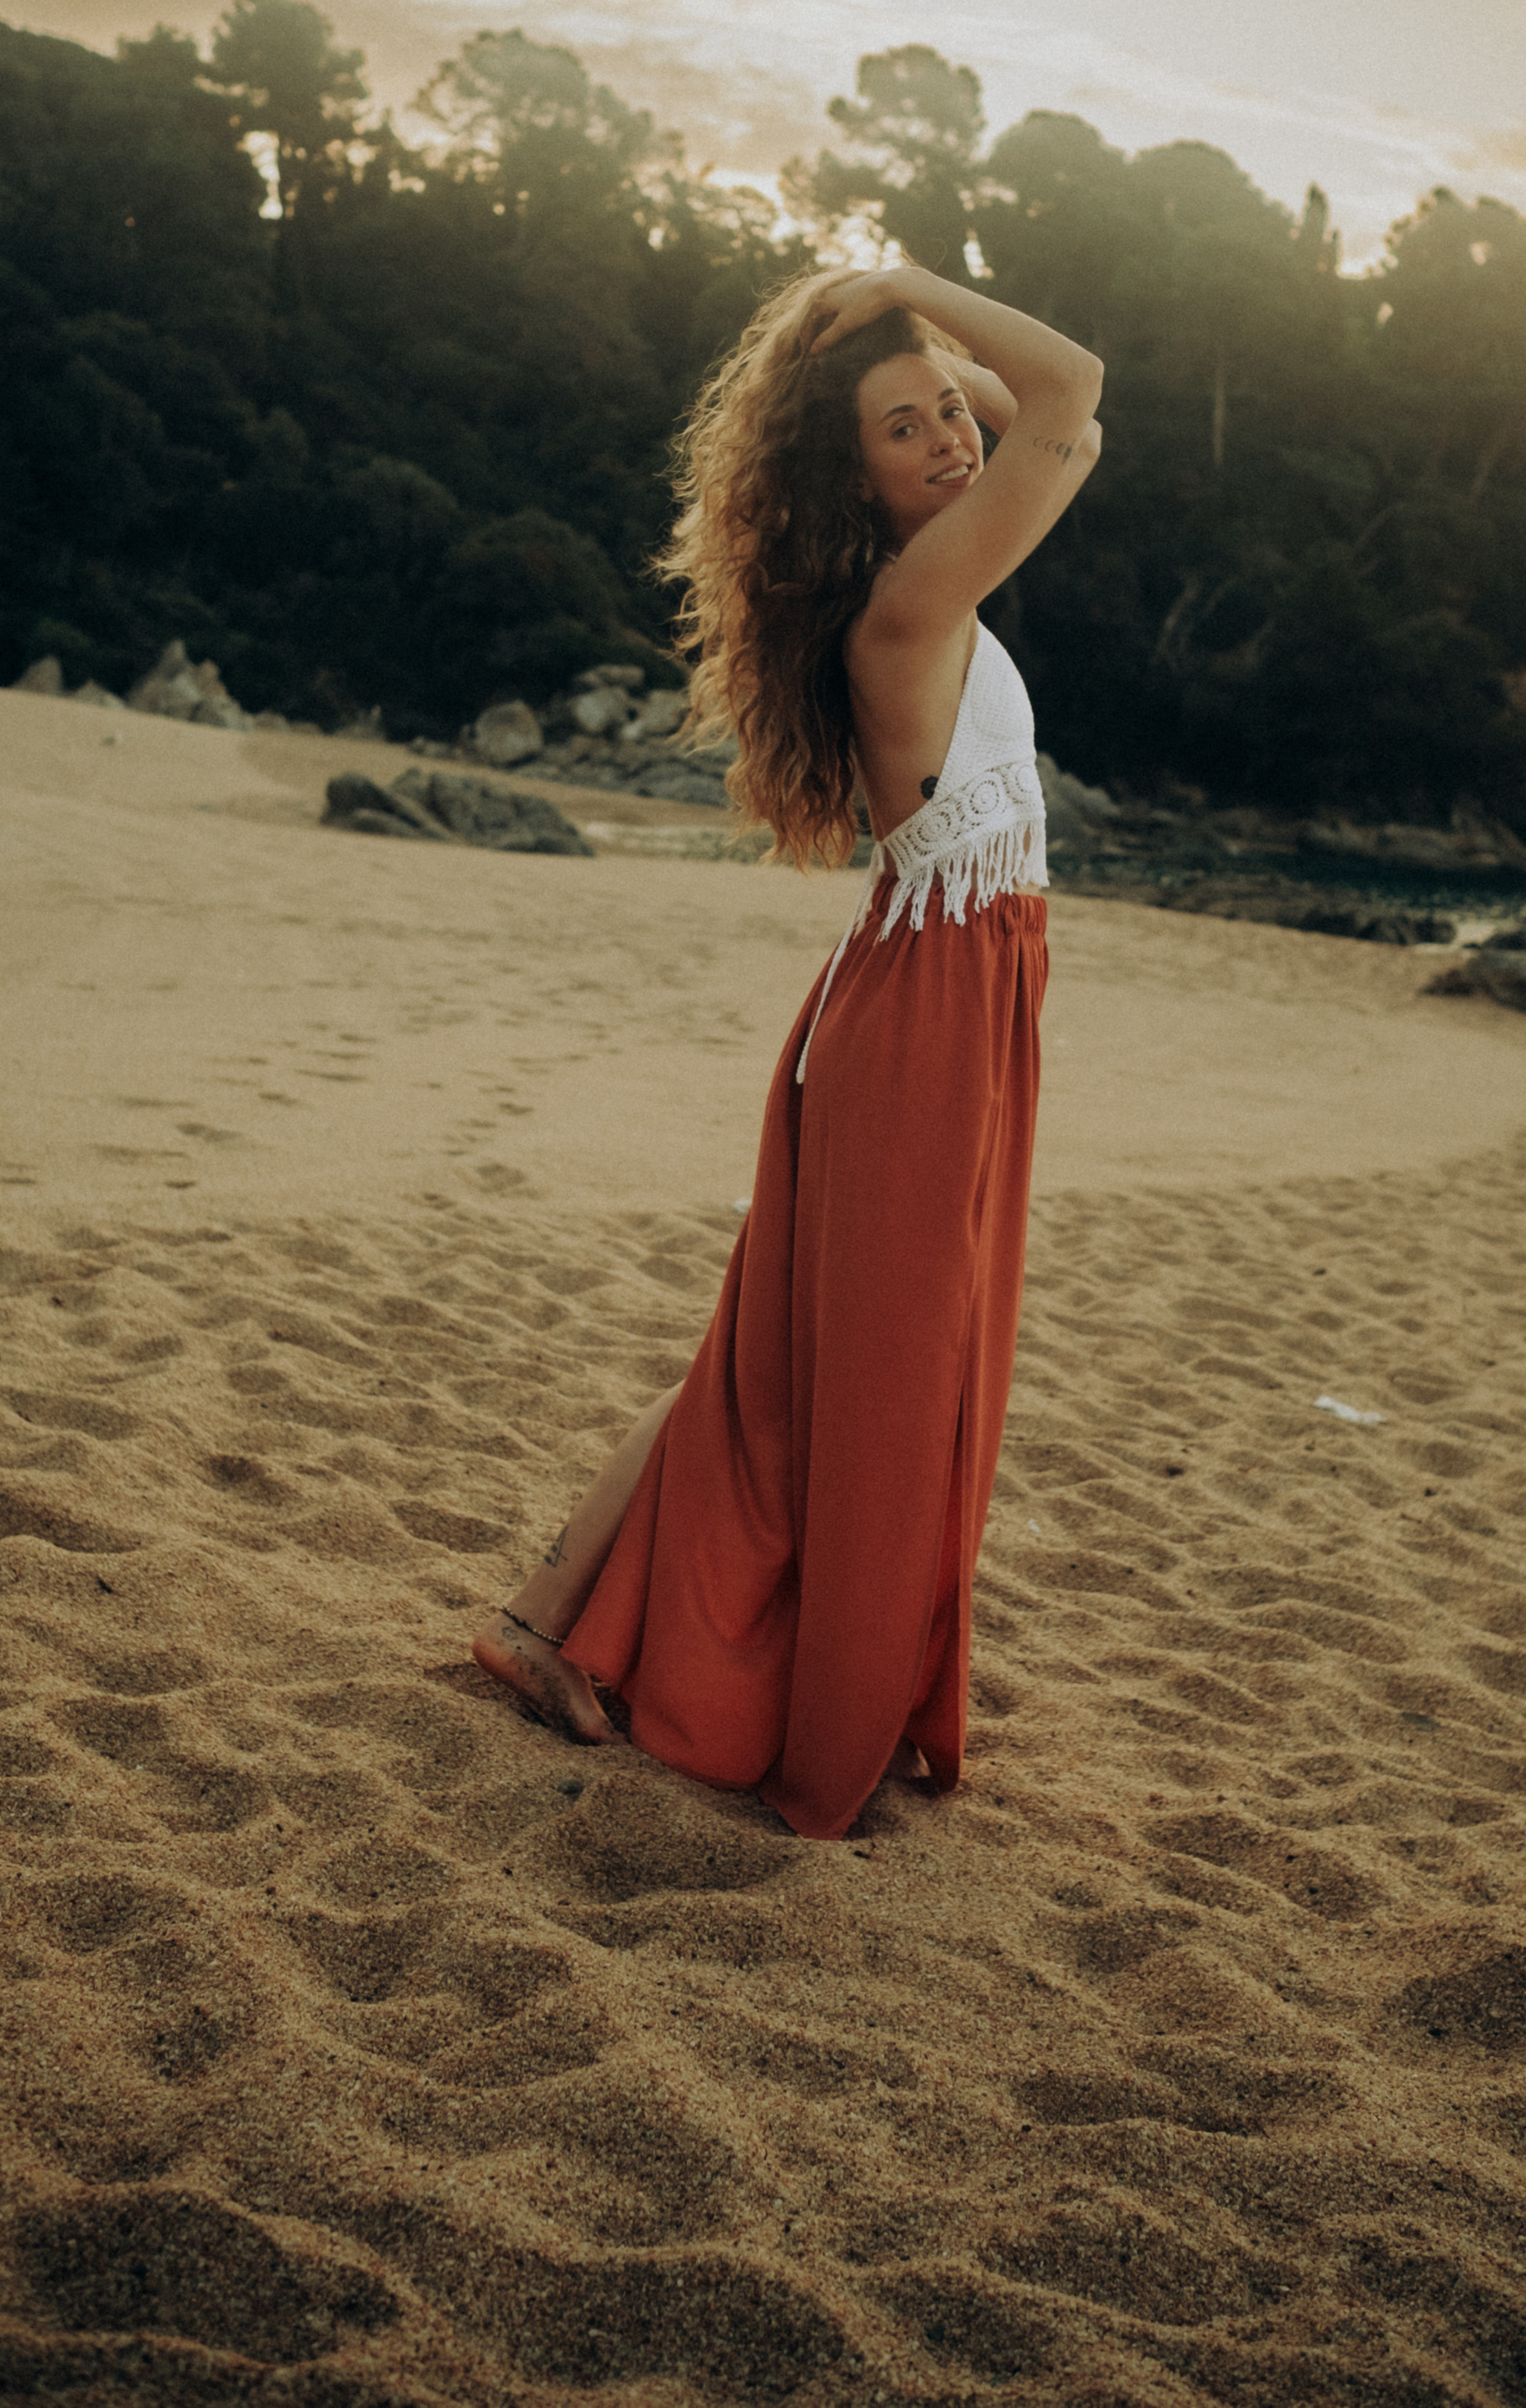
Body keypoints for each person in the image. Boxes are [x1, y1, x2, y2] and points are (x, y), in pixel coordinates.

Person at [472, 260, 1103, 1839]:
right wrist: (907, 290)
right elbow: (1074, 400)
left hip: (941, 995)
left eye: (951, 406)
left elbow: (1050, 427)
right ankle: (712, 1680)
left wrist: (910, 344)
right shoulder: (906, 610)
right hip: (927, 1014)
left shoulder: (923, 586)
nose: (953, 436)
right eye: (905, 428)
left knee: (768, 1366)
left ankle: (538, 1625)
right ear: (850, 476)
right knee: (850, 1382)